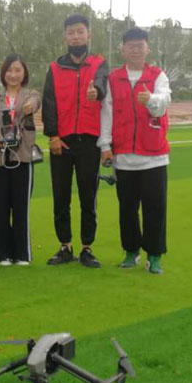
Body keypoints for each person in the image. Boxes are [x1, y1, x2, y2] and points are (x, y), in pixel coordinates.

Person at [98, 28, 171, 275]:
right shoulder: (113, 79)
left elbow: (163, 104)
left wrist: (150, 100)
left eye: (140, 46)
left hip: (154, 157)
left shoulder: (158, 76)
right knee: (127, 209)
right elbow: (106, 113)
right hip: (124, 158)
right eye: (131, 46)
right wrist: (105, 146)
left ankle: (155, 255)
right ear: (123, 49)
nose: (136, 50)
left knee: (155, 209)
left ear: (148, 49)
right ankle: (131, 251)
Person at [41, 14, 109, 268]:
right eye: (71, 32)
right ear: (65, 37)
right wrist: (53, 135)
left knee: (88, 197)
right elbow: (49, 103)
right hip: (62, 141)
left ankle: (87, 247)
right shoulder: (55, 68)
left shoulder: (99, 63)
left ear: (88, 34)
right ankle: (65, 246)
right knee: (61, 196)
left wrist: (96, 91)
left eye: (80, 31)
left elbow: (102, 84)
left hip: (89, 141)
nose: (76, 37)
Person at [0, 53, 41, 266]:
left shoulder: (30, 94)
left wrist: (30, 105)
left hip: (22, 157)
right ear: (3, 73)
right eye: (9, 70)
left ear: (24, 73)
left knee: (21, 206)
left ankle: (22, 253)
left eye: (18, 70)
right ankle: (1, 253)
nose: (13, 75)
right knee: (0, 207)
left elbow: (36, 101)